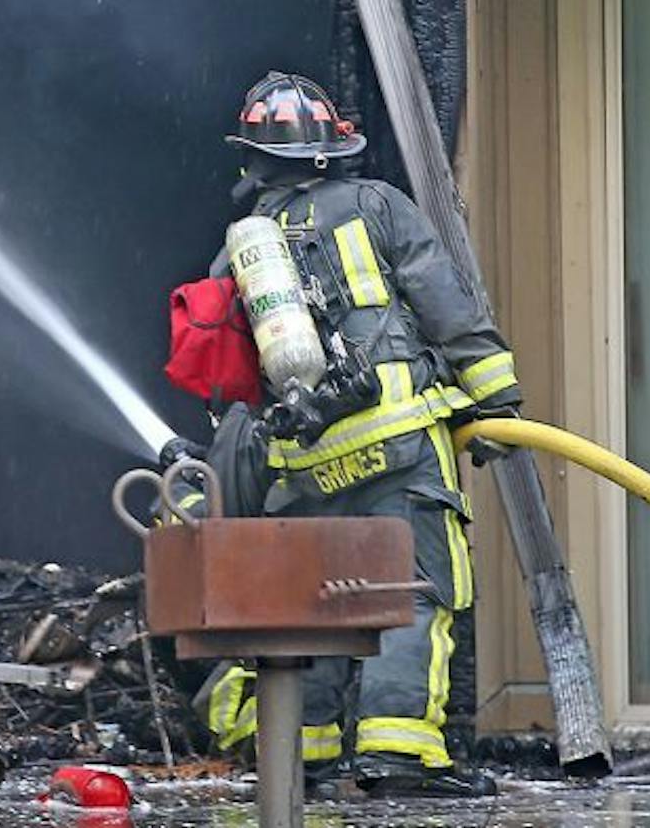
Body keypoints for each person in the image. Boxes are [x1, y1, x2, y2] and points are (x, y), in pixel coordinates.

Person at [174, 71, 521, 798]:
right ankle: (400, 753)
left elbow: (227, 368)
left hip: (303, 461)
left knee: (319, 601)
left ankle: (307, 751)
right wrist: (498, 403)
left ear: (255, 160)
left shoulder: (242, 251)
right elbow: (445, 302)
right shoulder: (378, 205)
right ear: (331, 149)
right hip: (397, 439)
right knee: (414, 590)